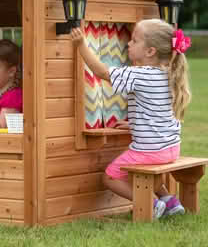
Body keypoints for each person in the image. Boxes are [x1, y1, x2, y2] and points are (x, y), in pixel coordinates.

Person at [71, 19, 192, 220]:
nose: (128, 43)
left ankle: (151, 204)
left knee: (110, 176)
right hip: (170, 148)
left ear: (150, 51)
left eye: (134, 41)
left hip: (151, 150)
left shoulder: (141, 75)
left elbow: (101, 72)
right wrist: (133, 123)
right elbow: (155, 112)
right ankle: (170, 202)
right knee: (148, 173)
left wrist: (81, 44)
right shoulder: (168, 74)